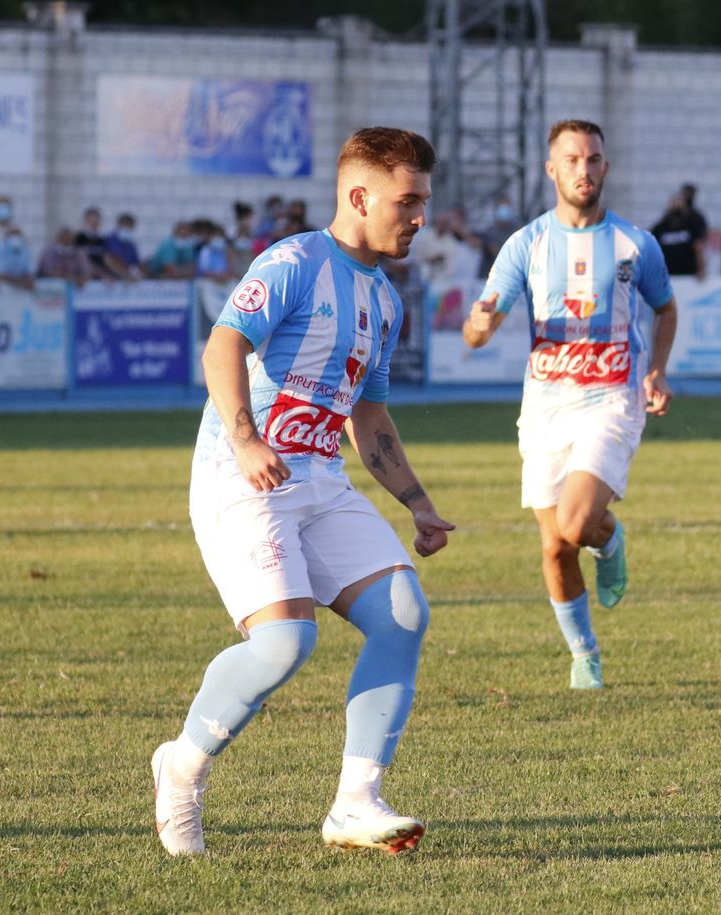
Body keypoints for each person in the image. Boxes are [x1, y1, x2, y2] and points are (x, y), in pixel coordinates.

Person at [152, 126, 455, 858]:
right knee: (286, 642)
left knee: (404, 611)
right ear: (359, 195)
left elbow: (368, 412)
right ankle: (182, 764)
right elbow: (222, 344)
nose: (419, 217)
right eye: (407, 201)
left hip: (319, 479)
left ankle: (356, 802)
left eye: (423, 202)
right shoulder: (292, 262)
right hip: (244, 477)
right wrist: (248, 437)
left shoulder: (384, 299)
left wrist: (414, 500)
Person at [462, 119, 678, 691]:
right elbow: (477, 329)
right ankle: (584, 655)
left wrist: (656, 369)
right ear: (551, 170)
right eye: (573, 160)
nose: (584, 169)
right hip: (545, 407)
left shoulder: (636, 243)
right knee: (556, 546)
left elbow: (666, 308)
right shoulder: (526, 243)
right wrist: (480, 325)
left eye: (594, 159)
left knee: (578, 522)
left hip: (613, 398)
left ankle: (607, 538)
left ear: (606, 166)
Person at [651, 189, 708, 280]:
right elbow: (652, 250)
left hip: (689, 275)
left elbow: (698, 247)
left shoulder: (691, 225)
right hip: (668, 275)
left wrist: (701, 269)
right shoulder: (661, 227)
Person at [104, 213, 142, 277]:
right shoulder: (111, 239)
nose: (127, 229)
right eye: (125, 226)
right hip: (114, 276)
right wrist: (124, 273)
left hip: (129, 276)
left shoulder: (130, 243)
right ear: (118, 225)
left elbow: (135, 262)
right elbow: (112, 258)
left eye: (130, 227)